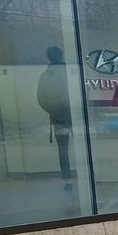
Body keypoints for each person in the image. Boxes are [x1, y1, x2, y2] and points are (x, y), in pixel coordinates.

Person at [36, 46, 74, 181]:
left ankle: (66, 175)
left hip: (57, 116)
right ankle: (84, 174)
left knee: (63, 148)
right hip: (74, 114)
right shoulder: (70, 73)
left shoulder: (45, 76)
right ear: (62, 55)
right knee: (83, 143)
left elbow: (41, 98)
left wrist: (53, 110)